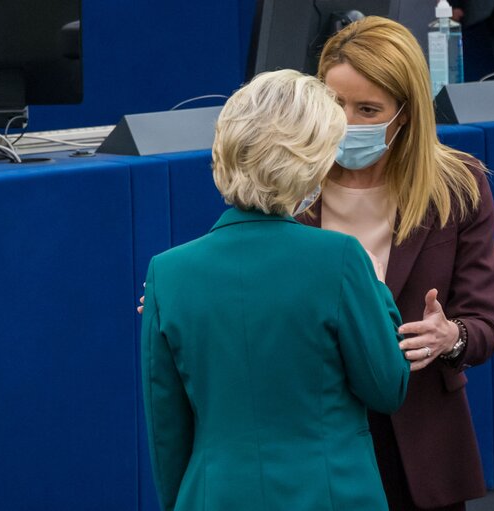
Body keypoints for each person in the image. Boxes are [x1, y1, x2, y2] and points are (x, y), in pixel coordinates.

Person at [140, 69, 410, 511]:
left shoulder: (167, 274)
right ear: (311, 160)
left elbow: (167, 434)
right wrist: (377, 289)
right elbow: (386, 386)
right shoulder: (341, 259)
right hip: (333, 496)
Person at [298, 16, 494, 511]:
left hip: (419, 435)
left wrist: (449, 336)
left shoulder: (458, 186)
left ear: (406, 113)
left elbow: (484, 323)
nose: (346, 122)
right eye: (335, 104)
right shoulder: (290, 181)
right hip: (317, 431)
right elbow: (240, 270)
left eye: (368, 109)